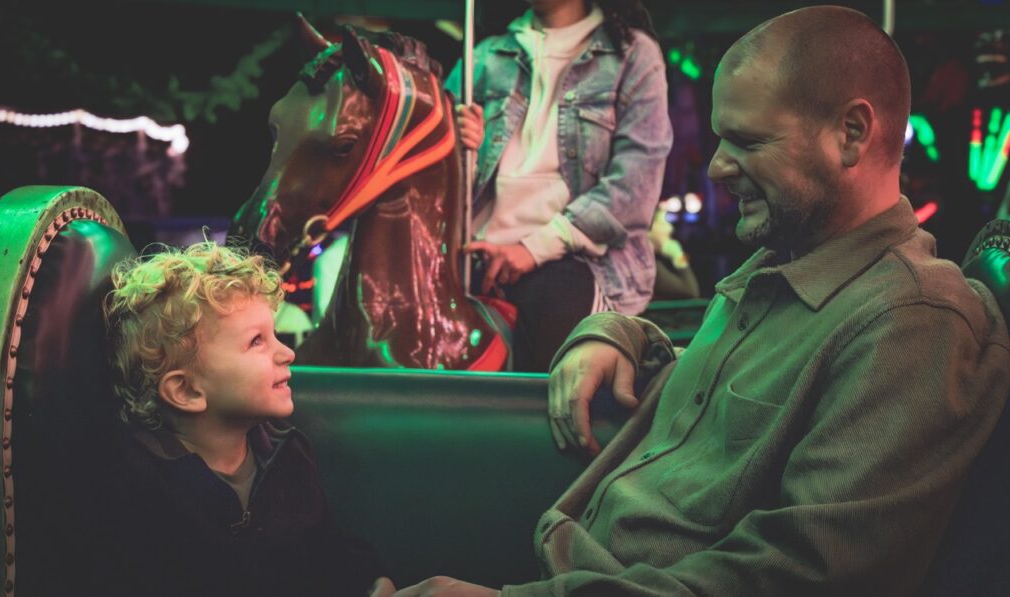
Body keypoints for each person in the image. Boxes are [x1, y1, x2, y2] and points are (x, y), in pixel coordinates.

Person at [393, 6, 1010, 595]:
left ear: (851, 133)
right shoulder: (788, 262)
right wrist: (620, 332)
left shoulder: (913, 322)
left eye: (748, 142)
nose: (716, 167)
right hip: (573, 554)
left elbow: (804, 577)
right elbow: (742, 386)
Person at [100, 242, 394, 597]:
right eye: (257, 342)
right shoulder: (140, 483)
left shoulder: (287, 453)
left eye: (274, 336)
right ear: (186, 391)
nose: (287, 353)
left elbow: (326, 553)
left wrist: (376, 583)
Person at [445, 0, 672, 371]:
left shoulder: (632, 54)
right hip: (475, 256)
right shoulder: (484, 57)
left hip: (579, 262)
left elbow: (634, 186)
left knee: (555, 325)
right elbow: (433, 184)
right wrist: (456, 148)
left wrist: (532, 248)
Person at [649, 205, 700, 299]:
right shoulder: (649, 267)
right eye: (662, 224)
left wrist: (681, 257)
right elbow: (692, 291)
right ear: (648, 229)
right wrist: (679, 255)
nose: (670, 228)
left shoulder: (656, 260)